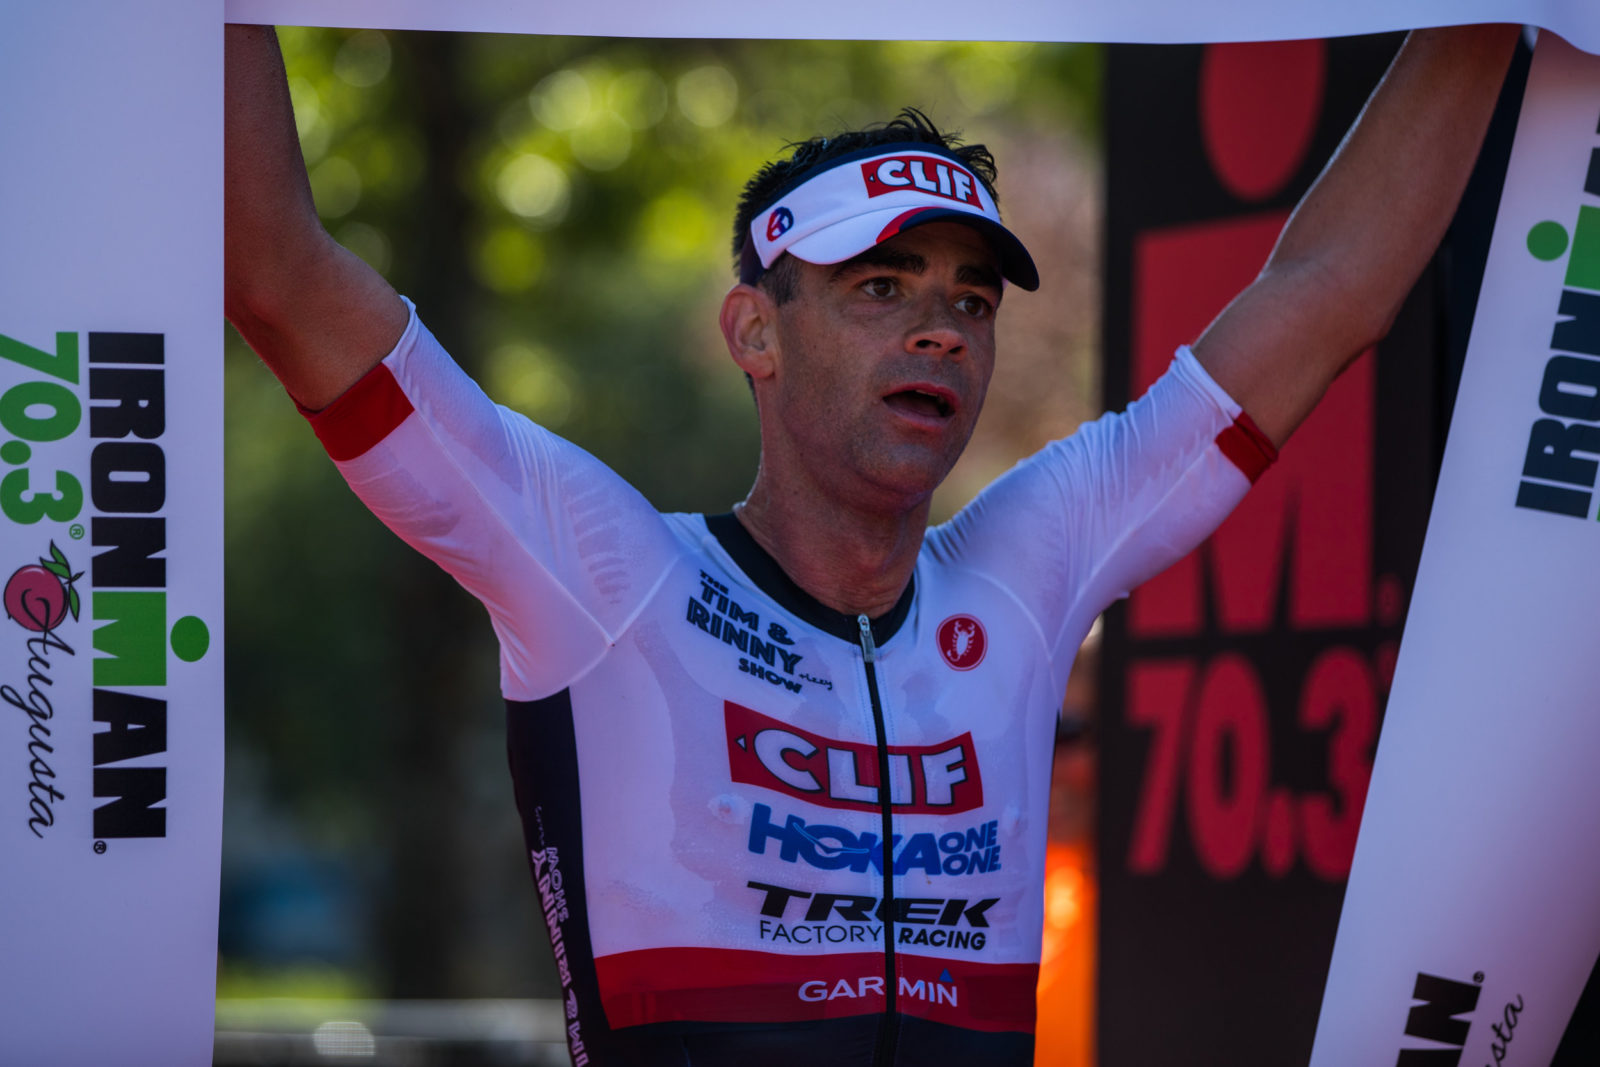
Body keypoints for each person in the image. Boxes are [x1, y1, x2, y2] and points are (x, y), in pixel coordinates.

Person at [225, 24, 1518, 1066]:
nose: (941, 330)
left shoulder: (1026, 572)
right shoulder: (612, 576)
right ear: (755, 332)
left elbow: (1327, 295)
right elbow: (278, 274)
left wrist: (1500, 12)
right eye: (880, 289)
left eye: (971, 300)